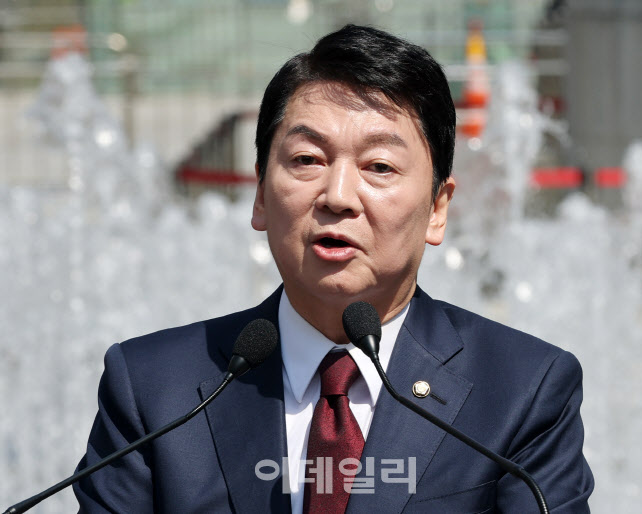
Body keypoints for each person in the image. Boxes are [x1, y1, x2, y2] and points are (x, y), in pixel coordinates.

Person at [74, 24, 594, 513]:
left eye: (379, 167)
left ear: (438, 208)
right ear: (260, 194)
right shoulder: (153, 388)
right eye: (307, 160)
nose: (337, 196)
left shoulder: (523, 389)